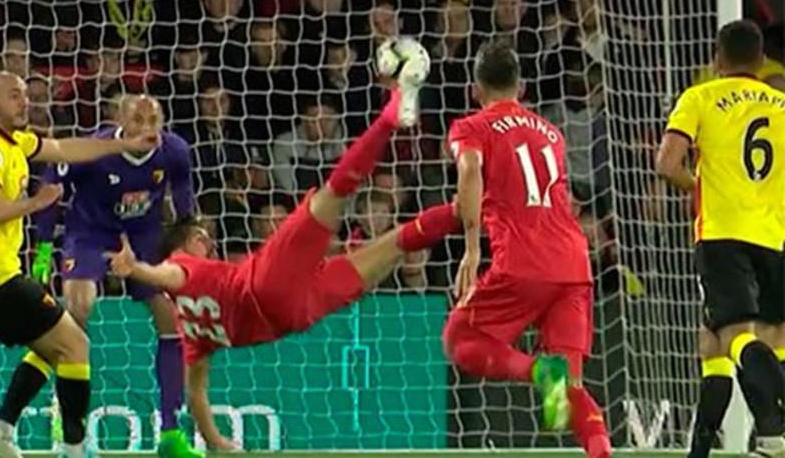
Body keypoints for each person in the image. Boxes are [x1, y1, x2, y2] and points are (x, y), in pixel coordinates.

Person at [107, 44, 454, 450]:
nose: (208, 240)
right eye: (201, 237)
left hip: (293, 315)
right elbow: (168, 273)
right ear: (185, 245)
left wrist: (218, 441)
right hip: (266, 284)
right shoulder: (183, 264)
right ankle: (390, 114)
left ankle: (467, 208)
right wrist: (138, 270)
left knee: (394, 243)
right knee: (334, 194)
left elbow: (195, 389)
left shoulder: (190, 329)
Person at [0, 71, 158, 458]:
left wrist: (118, 144)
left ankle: (0, 430)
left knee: (51, 344)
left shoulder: (15, 142)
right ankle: (74, 448)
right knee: (75, 343)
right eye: (14, 96)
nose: (24, 102)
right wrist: (36, 204)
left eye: (24, 95)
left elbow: (63, 149)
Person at [444, 40, 611, 458]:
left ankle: (539, 368)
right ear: (521, 87)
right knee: (562, 400)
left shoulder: (472, 127)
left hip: (523, 261)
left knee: (459, 338)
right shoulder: (550, 132)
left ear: (475, 89)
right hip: (574, 263)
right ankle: (601, 449)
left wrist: (470, 246)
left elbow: (468, 169)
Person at [33, 94, 200, 458]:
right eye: (138, 120)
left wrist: (187, 246)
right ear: (121, 121)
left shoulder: (174, 151)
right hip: (90, 233)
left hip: (144, 236)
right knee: (78, 307)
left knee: (172, 319)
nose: (147, 128)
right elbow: (51, 190)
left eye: (154, 120)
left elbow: (185, 203)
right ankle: (69, 421)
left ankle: (171, 433)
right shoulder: (95, 148)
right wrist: (43, 251)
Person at [655, 20, 785, 458]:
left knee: (732, 337)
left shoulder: (701, 96)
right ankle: (754, 444)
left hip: (723, 235)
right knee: (732, 342)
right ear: (760, 57)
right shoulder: (783, 105)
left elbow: (667, 163)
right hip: (774, 236)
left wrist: (696, 184)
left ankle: (774, 431)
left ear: (717, 58)